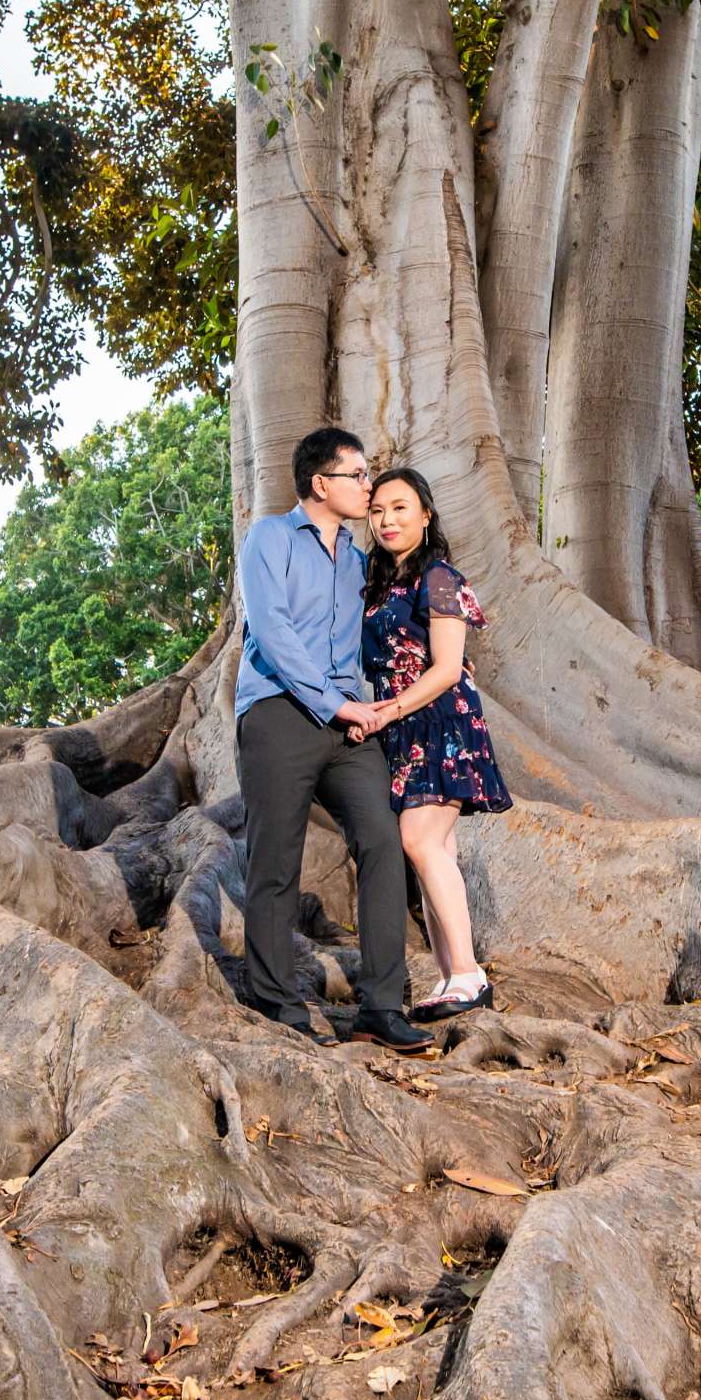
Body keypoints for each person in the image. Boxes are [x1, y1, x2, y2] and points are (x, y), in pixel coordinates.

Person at [234, 428, 433, 1054]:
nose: (369, 487)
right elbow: (271, 632)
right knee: (275, 860)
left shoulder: (357, 559)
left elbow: (381, 631)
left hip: (350, 723)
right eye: (359, 476)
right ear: (322, 484)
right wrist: (335, 702)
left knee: (382, 840)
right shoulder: (268, 538)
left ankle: (380, 1004)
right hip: (278, 712)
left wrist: (417, 674)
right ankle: (275, 1001)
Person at [356, 466, 512, 1020]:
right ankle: (452, 976)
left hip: (440, 720)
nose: (387, 520)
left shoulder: (439, 577)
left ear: (425, 513)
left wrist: (385, 713)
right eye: (376, 511)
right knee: (433, 850)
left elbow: (447, 669)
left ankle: (469, 974)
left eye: (400, 508)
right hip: (401, 726)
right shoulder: (378, 584)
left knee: (420, 841)